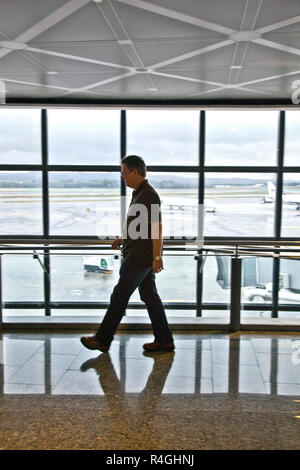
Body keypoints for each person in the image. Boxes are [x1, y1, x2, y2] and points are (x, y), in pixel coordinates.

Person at [81, 155, 174, 353]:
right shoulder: (139, 193)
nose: (123, 177)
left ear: (134, 171)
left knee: (119, 295)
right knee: (150, 297)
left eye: (124, 173)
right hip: (138, 254)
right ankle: (165, 340)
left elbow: (157, 227)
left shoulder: (148, 194)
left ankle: (103, 339)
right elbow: (140, 226)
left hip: (140, 257)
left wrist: (158, 256)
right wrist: (123, 239)